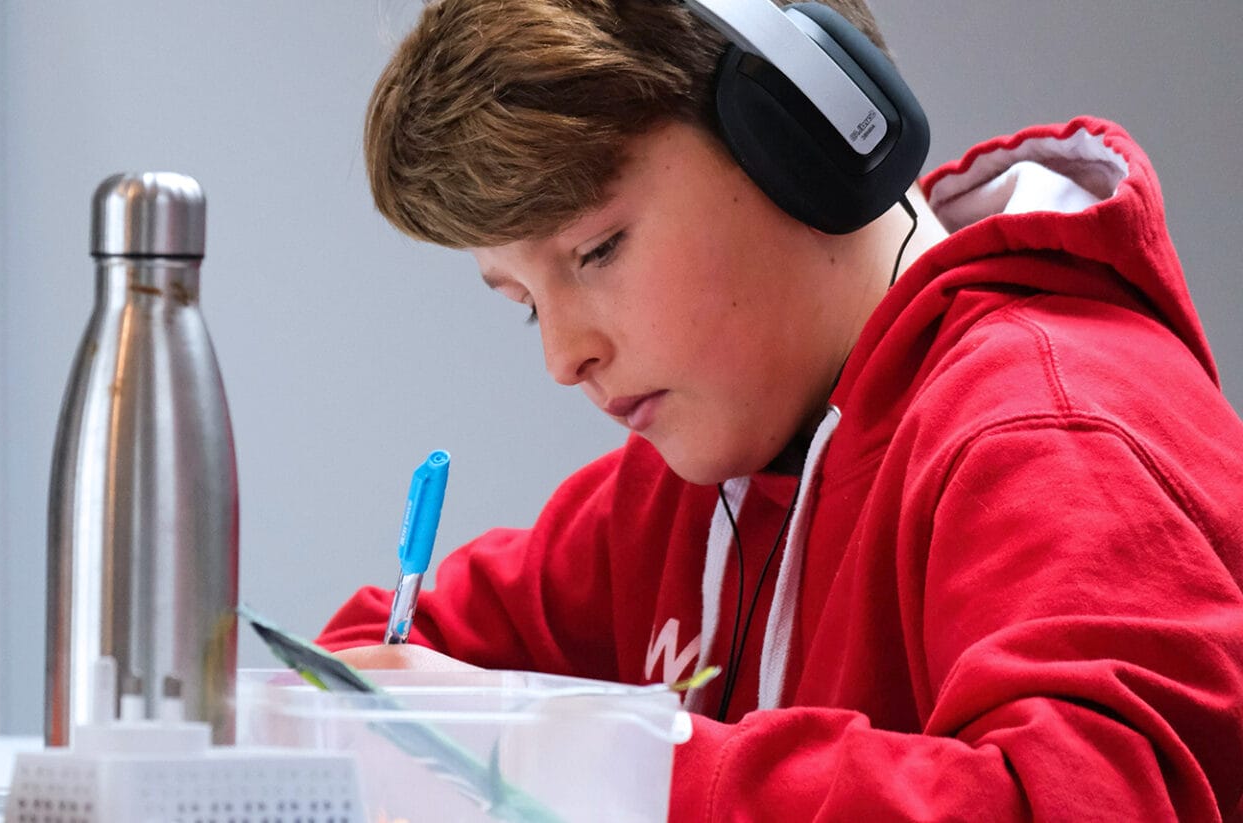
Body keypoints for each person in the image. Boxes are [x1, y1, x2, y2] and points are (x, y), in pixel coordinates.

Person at [314, 0, 1243, 819]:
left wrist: (586, 755)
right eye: (523, 304)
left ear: (800, 144)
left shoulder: (1053, 431)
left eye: (596, 251)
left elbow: (1085, 802)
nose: (565, 357)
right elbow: (373, 666)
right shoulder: (688, 490)